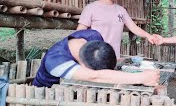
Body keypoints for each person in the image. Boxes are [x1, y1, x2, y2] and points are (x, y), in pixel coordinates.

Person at [32, 29, 160, 88]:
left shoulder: (93, 35)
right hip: (47, 93)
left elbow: (99, 69)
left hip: (74, 87)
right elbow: (94, 76)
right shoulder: (55, 61)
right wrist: (141, 77)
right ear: (84, 65)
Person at [77, 0, 156, 59]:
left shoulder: (121, 10)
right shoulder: (91, 8)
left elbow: (134, 28)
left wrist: (148, 36)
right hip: (94, 59)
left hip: (114, 59)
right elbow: (78, 34)